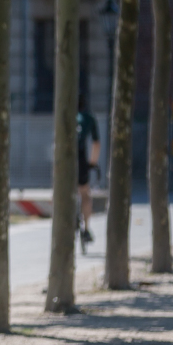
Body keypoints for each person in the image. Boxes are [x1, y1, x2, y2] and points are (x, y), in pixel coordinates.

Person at [76, 103, 100, 243]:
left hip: (65, 159)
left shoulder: (64, 113)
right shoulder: (89, 117)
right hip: (80, 158)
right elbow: (96, 144)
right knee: (85, 193)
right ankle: (86, 229)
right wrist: (92, 163)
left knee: (58, 192)